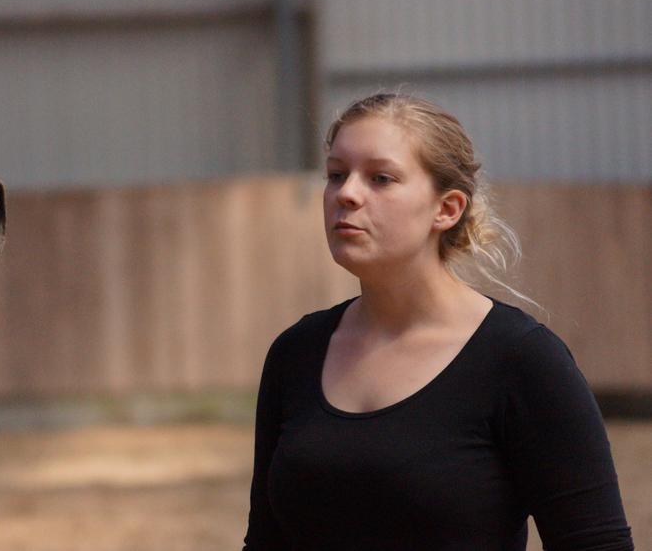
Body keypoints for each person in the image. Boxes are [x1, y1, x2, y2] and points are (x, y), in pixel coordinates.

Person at [242, 93, 633, 550]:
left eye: (381, 178)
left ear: (446, 209)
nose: (346, 193)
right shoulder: (296, 352)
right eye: (335, 174)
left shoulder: (522, 359)